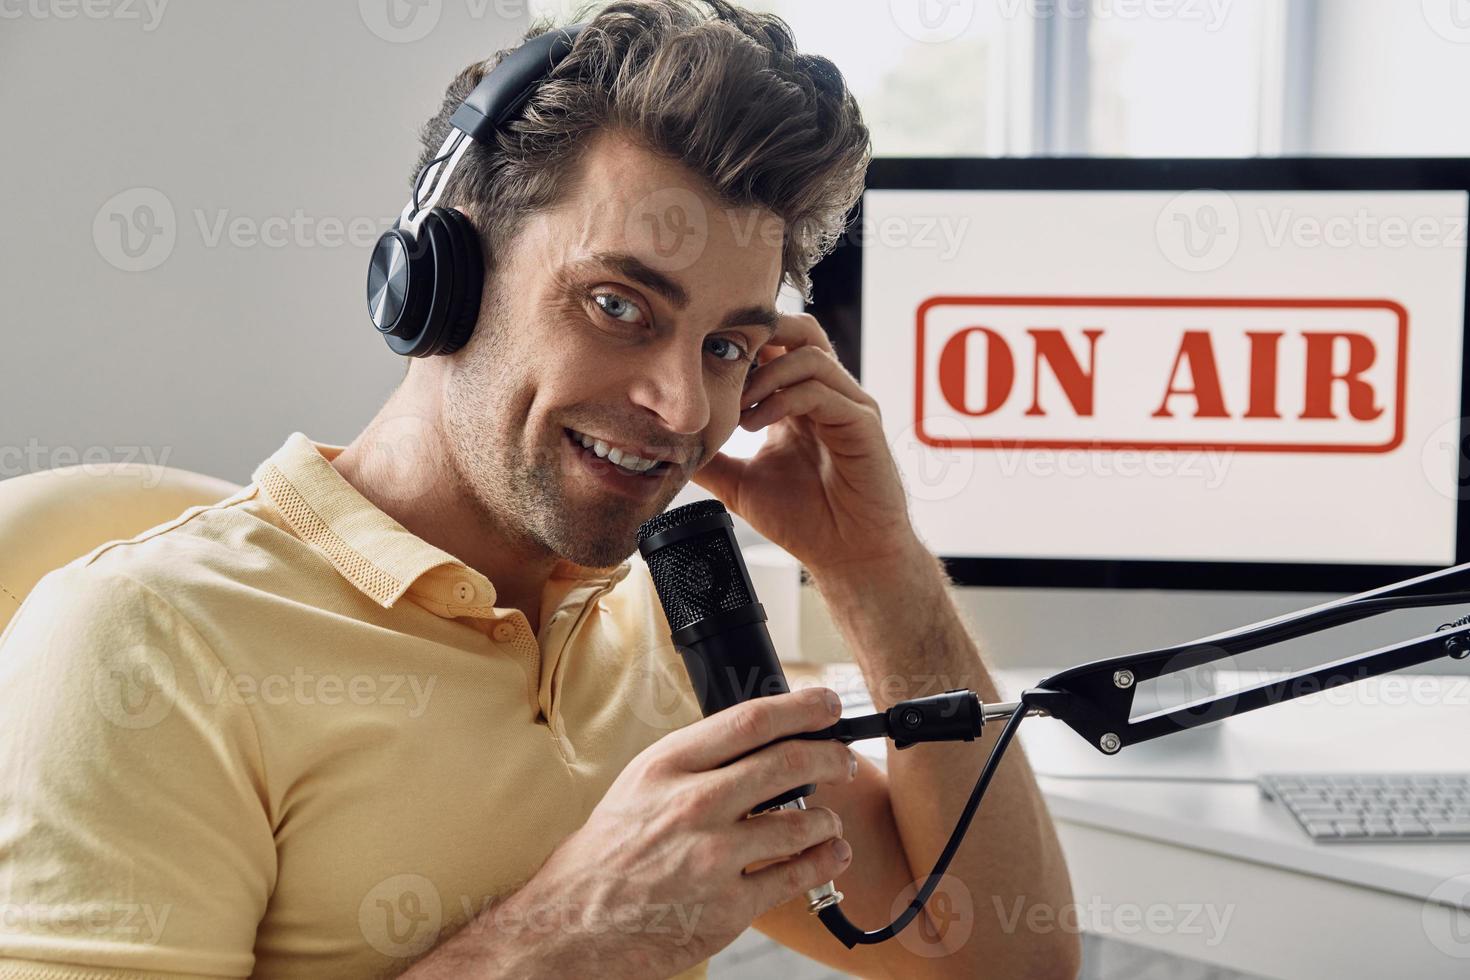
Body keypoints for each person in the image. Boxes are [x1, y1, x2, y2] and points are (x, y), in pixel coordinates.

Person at [0, 2, 1080, 977]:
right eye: (619, 305)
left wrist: (875, 563)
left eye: (725, 347)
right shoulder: (144, 641)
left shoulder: (674, 624)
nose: (680, 405)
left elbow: (997, 961)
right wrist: (571, 933)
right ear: (440, 276)